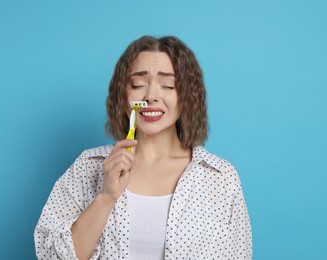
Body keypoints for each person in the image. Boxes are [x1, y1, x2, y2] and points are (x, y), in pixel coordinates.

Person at [34, 35, 252, 260]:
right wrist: (106, 197)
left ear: (187, 96)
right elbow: (51, 257)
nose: (151, 96)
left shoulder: (220, 177)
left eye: (168, 85)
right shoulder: (87, 168)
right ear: (122, 94)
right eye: (138, 84)